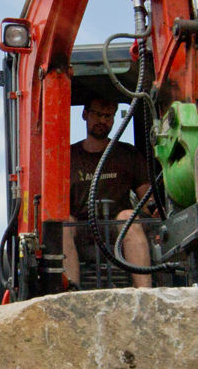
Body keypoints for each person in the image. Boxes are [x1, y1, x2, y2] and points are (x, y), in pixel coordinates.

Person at [63, 97, 155, 289]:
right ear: (85, 115)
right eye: (97, 114)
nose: (102, 121)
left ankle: (145, 294)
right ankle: (70, 293)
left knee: (128, 216)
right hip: (80, 229)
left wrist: (153, 207)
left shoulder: (127, 154)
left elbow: (147, 198)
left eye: (108, 116)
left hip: (119, 230)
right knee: (63, 222)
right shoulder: (67, 157)